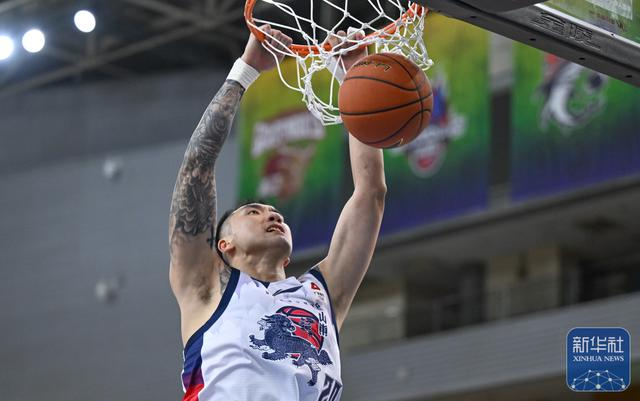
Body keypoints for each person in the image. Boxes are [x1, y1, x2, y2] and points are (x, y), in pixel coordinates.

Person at [168, 25, 386, 401]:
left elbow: (371, 195)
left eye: (275, 212)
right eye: (253, 211)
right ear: (224, 244)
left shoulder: (320, 295)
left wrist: (355, 82)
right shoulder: (205, 287)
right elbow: (196, 167)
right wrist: (246, 70)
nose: (273, 215)